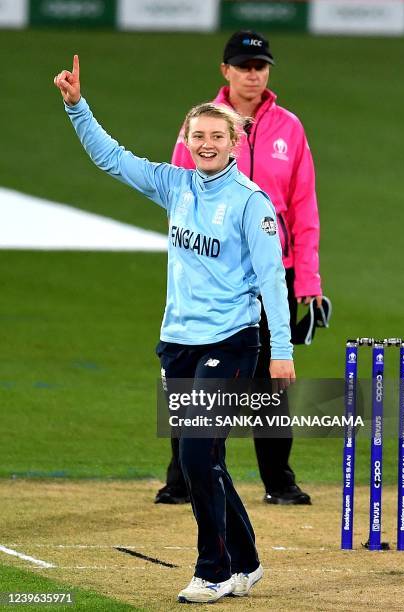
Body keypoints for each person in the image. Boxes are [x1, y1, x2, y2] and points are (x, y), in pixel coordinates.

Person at [54, 55, 295, 604]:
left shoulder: (249, 203)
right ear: (185, 140)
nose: (207, 143)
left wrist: (280, 350)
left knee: (193, 458)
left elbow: (273, 282)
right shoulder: (176, 185)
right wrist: (77, 108)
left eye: (217, 135)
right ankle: (248, 561)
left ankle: (213, 569)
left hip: (231, 342)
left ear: (235, 143)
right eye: (198, 135)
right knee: (206, 458)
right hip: (179, 344)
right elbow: (113, 159)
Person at [155, 30, 323, 507]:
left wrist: (307, 279)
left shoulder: (289, 128)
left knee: (273, 378)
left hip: (276, 271)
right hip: (211, 273)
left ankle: (278, 479)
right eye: (244, 66)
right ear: (225, 70)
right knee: (191, 374)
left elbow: (304, 207)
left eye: (261, 66)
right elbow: (180, 195)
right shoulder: (202, 125)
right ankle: (181, 478)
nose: (254, 74)